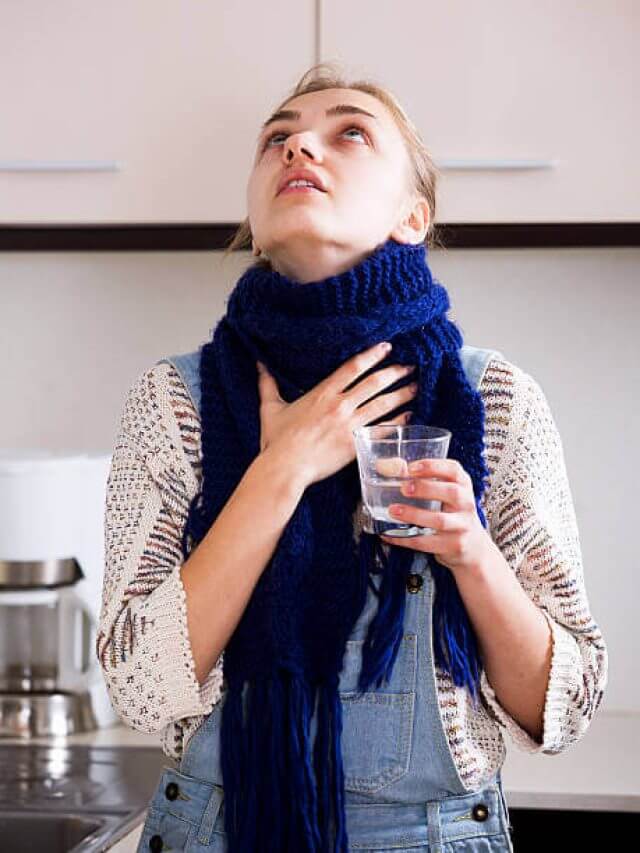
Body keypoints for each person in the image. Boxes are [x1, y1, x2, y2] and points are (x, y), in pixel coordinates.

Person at [97, 63, 608, 853]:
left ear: (414, 214)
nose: (300, 143)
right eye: (279, 136)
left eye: (350, 132)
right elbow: (138, 687)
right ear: (254, 218)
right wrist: (281, 469)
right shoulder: (176, 401)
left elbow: (565, 708)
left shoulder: (494, 399)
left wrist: (470, 551)